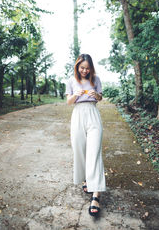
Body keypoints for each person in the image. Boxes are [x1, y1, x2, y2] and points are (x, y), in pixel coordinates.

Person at [66, 54, 106, 216]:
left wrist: (95, 95)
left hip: (92, 114)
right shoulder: (71, 80)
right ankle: (85, 179)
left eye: (87, 68)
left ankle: (96, 194)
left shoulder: (96, 79)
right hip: (78, 115)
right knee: (80, 150)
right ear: (77, 67)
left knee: (94, 153)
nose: (84, 70)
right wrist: (77, 94)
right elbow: (69, 102)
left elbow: (100, 97)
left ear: (91, 68)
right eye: (82, 67)